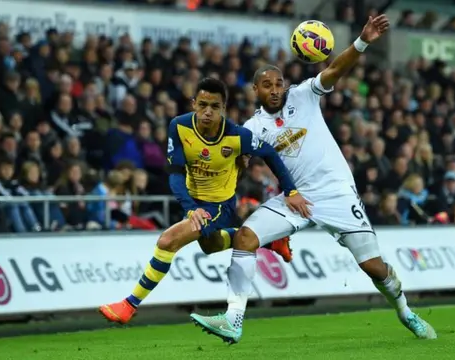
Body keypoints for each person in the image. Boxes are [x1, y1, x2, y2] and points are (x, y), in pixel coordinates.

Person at [190, 15, 437, 343]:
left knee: (374, 267)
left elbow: (335, 70)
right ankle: (233, 320)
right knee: (246, 238)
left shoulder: (304, 95)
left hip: (337, 193)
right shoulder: (252, 128)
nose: (275, 90)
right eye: (267, 85)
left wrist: (362, 41)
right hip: (296, 198)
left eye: (279, 84)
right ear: (255, 90)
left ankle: (406, 312)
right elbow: (236, 162)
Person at [99, 77, 309, 324]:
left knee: (168, 241)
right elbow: (176, 174)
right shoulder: (179, 127)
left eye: (214, 106)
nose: (207, 112)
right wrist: (191, 208)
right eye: (202, 105)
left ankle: (129, 305)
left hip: (219, 205)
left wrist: (291, 191)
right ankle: (271, 241)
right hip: (194, 201)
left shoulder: (237, 136)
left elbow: (270, 154)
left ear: (224, 108)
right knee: (210, 246)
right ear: (193, 104)